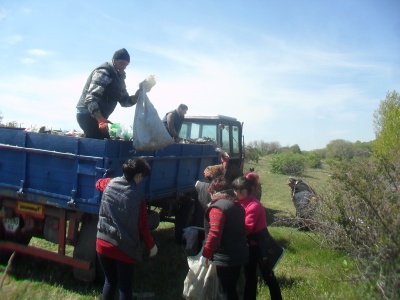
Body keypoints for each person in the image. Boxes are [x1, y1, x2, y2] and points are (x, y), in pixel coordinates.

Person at [95, 158, 158, 300]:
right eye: (142, 177)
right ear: (138, 176)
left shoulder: (109, 184)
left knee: (110, 281)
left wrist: (108, 181)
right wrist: (151, 246)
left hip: (102, 243)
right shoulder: (138, 198)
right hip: (123, 248)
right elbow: (143, 227)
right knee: (124, 287)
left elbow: (98, 183)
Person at [76, 48, 155, 139]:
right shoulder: (104, 72)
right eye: (121, 63)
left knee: (108, 139)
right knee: (100, 140)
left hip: (100, 117)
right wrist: (100, 119)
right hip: (87, 114)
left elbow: (124, 101)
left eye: (126, 65)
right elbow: (90, 99)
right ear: (114, 60)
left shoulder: (120, 78)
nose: (123, 67)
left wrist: (139, 94)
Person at [232, 173, 283, 300]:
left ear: (245, 191)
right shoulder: (240, 202)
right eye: (234, 190)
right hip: (250, 245)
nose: (235, 193)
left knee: (268, 275)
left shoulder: (253, 205)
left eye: (238, 191)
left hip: (261, 245)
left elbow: (247, 228)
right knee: (250, 276)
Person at [201, 176, 248, 300]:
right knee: (231, 289)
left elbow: (215, 233)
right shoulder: (237, 206)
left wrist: (206, 254)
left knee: (225, 291)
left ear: (213, 192)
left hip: (226, 257)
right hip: (239, 254)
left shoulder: (217, 208)